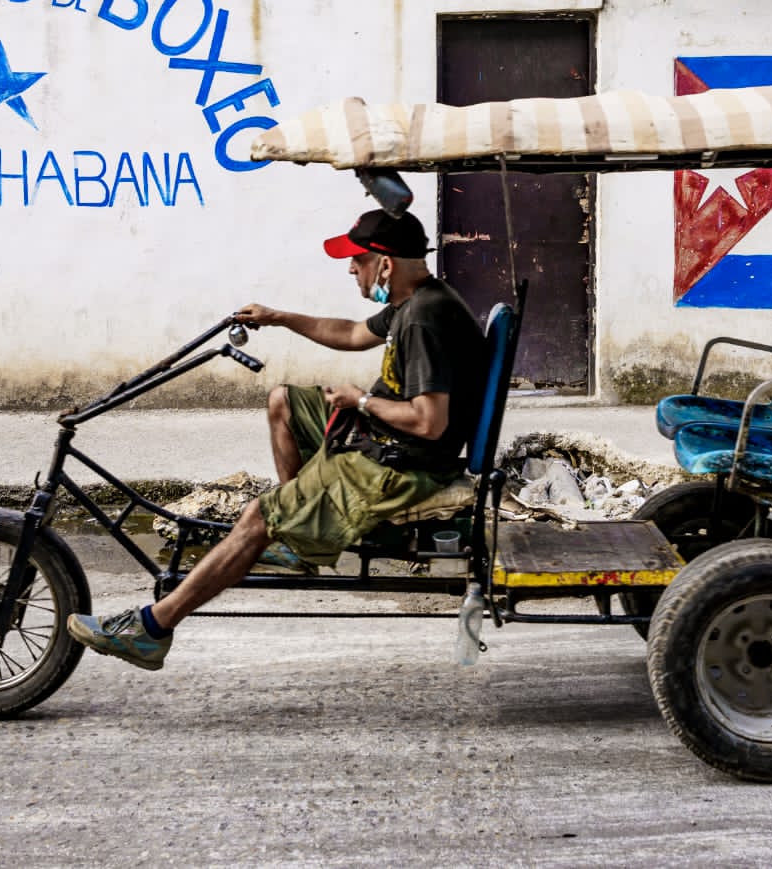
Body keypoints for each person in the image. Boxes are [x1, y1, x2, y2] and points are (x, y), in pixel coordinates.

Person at [67, 206, 486, 670]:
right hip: (384, 439)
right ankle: (297, 543)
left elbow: (430, 423)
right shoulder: (417, 301)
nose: (351, 269)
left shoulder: (424, 320)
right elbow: (349, 333)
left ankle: (152, 628)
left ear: (385, 263)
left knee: (254, 518)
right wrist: (279, 316)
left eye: (358, 260)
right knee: (283, 401)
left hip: (399, 466)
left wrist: (361, 402)